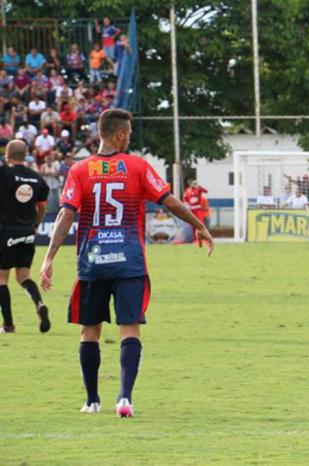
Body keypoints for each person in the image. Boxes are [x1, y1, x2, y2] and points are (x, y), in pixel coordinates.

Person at [38, 109, 214, 417]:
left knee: (89, 331)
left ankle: (92, 401)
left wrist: (49, 257)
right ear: (119, 134)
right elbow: (170, 200)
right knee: (129, 329)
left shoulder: (80, 170)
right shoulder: (137, 167)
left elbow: (66, 214)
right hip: (129, 261)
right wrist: (198, 224)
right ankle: (124, 398)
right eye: (129, 133)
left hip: (93, 262)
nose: (130, 137)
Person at [0, 140, 51, 334]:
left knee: (2, 279)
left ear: (8, 155)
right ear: (26, 155)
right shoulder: (38, 179)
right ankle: (39, 304)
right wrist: (36, 225)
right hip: (27, 232)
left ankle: (8, 325)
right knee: (24, 277)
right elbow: (42, 206)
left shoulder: (4, 174)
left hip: (6, 231)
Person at [182, 177, 209, 243]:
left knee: (200, 224)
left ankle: (203, 239)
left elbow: (206, 191)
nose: (193, 184)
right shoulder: (187, 190)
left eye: (194, 183)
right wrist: (186, 205)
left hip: (197, 209)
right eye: (192, 183)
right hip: (191, 209)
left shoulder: (198, 189)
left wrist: (199, 186)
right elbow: (185, 199)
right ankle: (195, 240)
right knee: (193, 225)